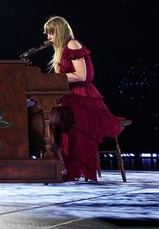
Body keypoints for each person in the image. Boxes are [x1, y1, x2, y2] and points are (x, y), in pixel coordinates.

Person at [43, 15, 131, 182]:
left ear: (60, 32)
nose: (48, 38)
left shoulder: (72, 44)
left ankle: (66, 167)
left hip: (83, 99)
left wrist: (57, 79)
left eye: (51, 33)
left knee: (56, 121)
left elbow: (82, 75)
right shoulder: (61, 50)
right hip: (69, 98)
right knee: (47, 121)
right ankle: (61, 165)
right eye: (47, 34)